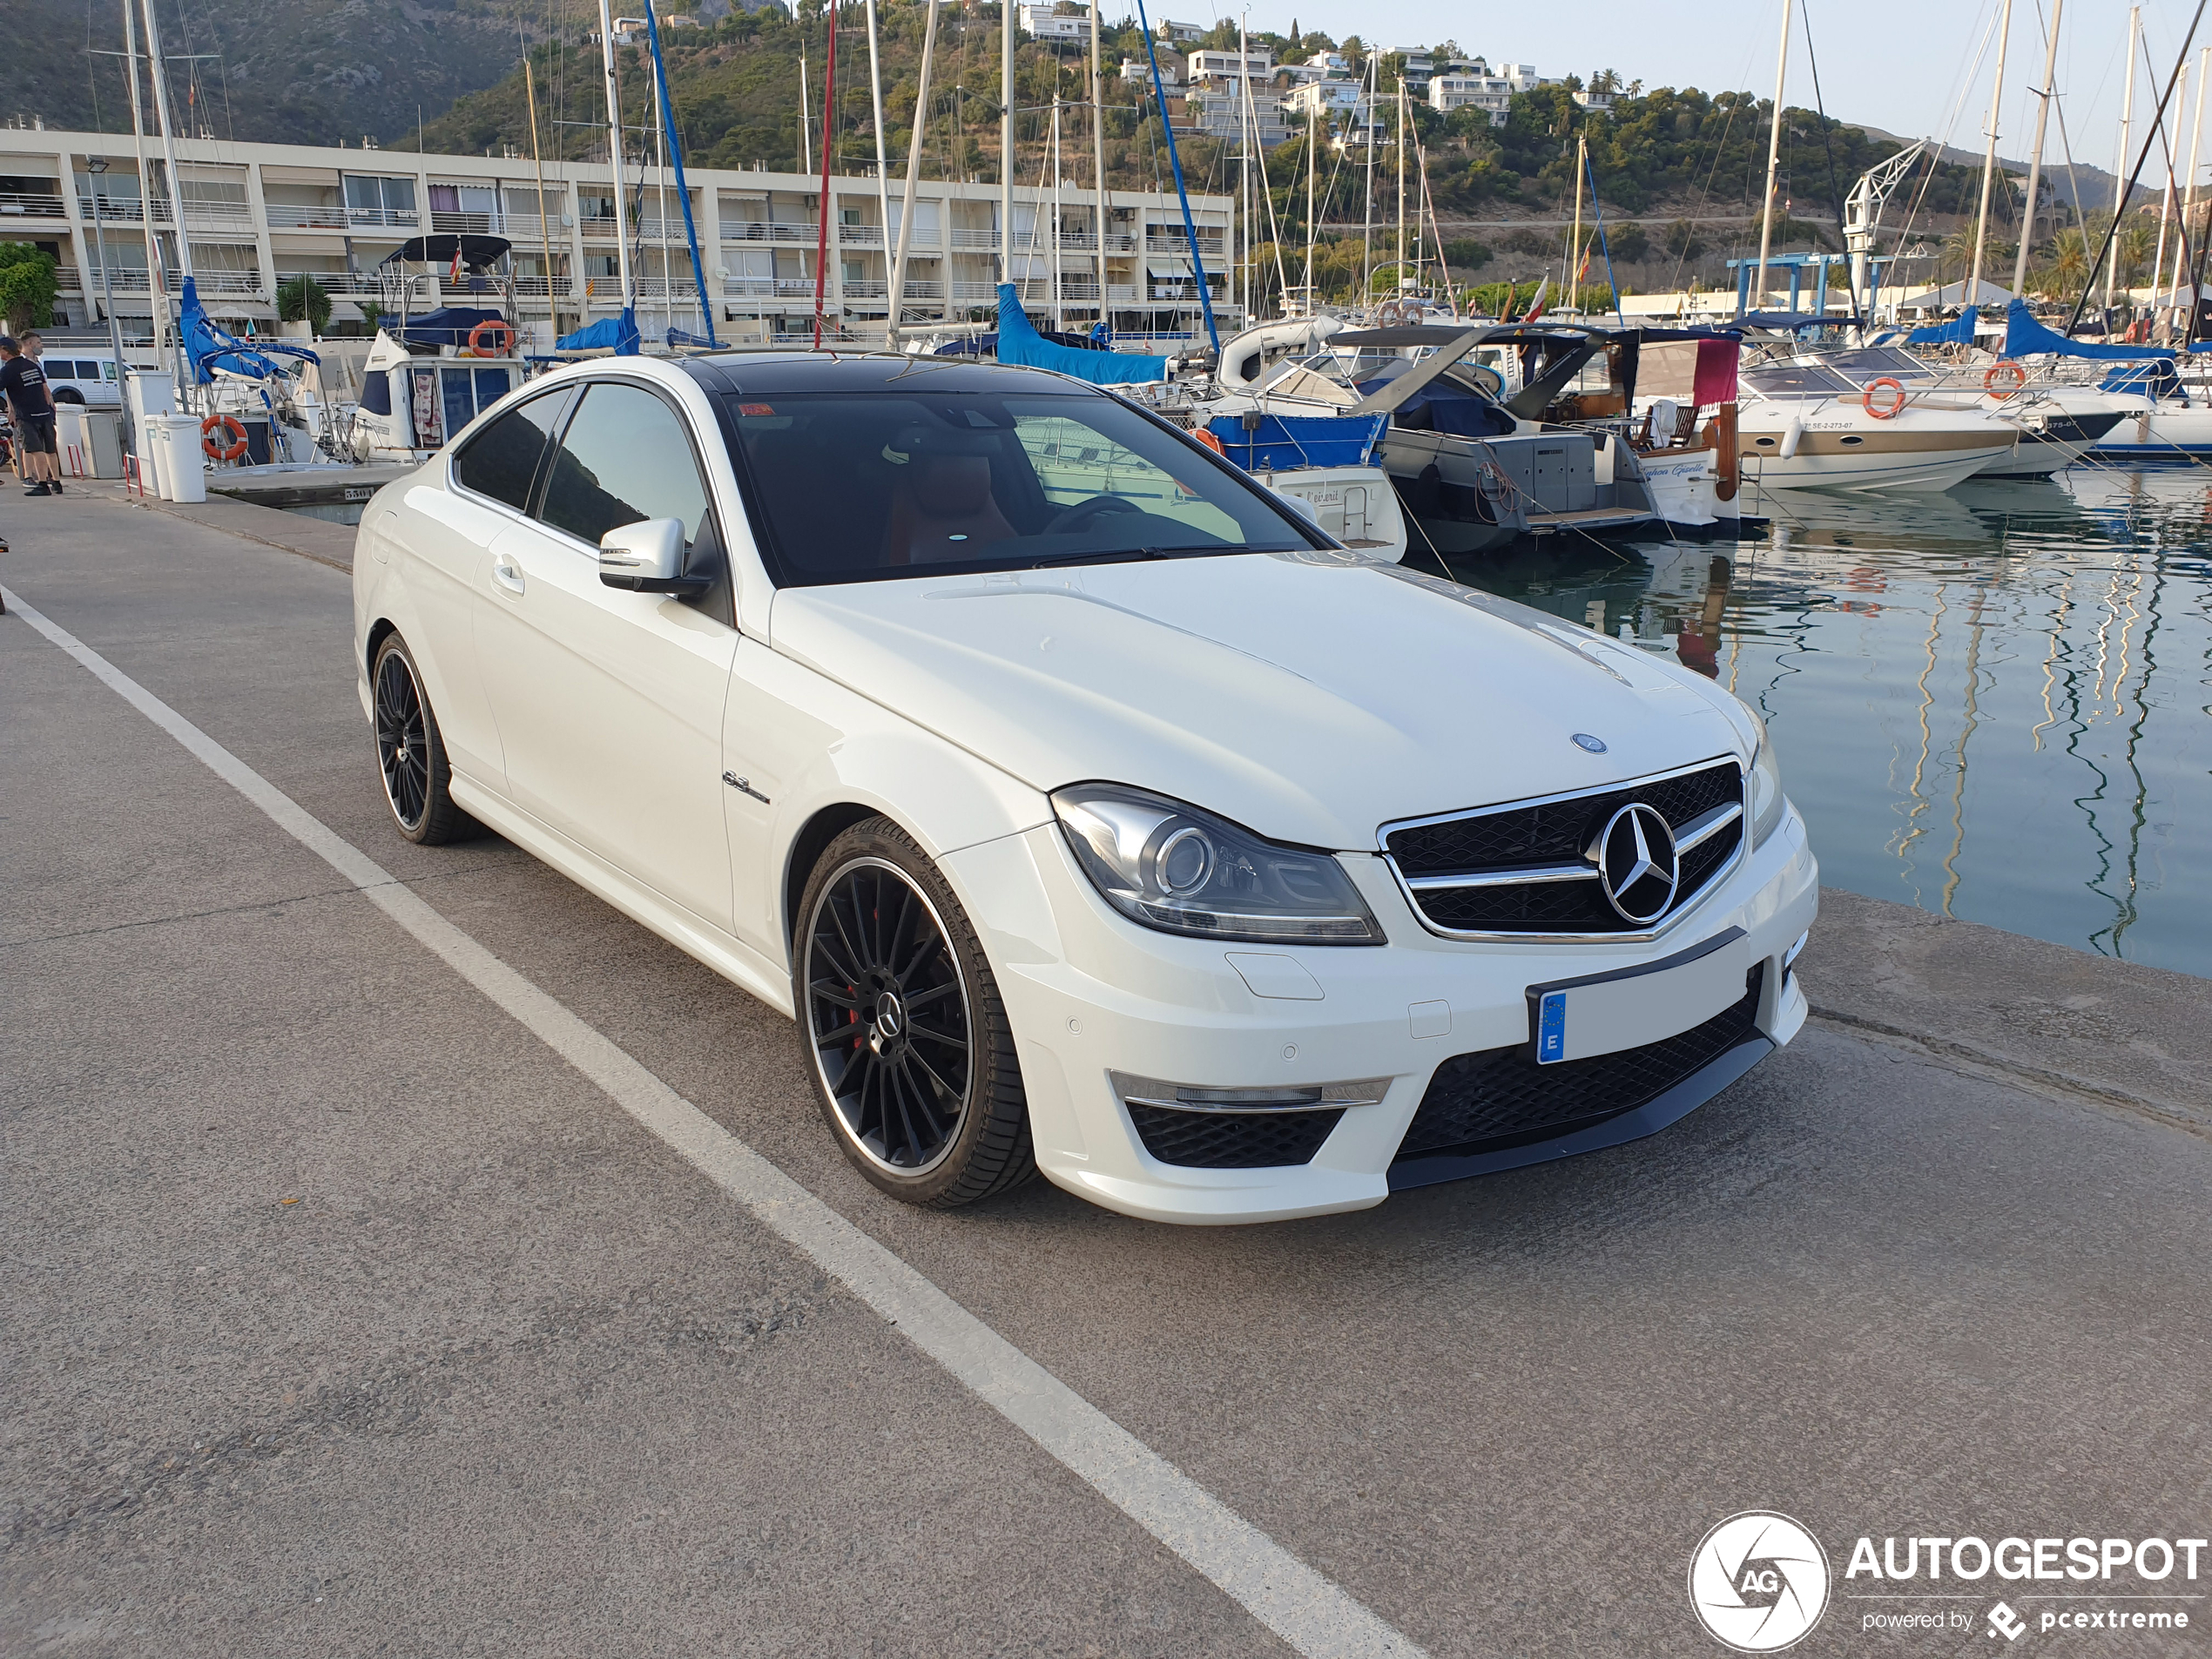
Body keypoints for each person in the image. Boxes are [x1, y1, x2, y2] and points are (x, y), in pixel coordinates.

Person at [0, 334, 60, 496]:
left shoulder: (8, 370)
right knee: (50, 449)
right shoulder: (32, 366)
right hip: (44, 412)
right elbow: (45, 388)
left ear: (6, 351)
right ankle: (56, 482)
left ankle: (42, 484)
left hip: (27, 415)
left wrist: (11, 411)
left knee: (35, 450)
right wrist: (50, 408)